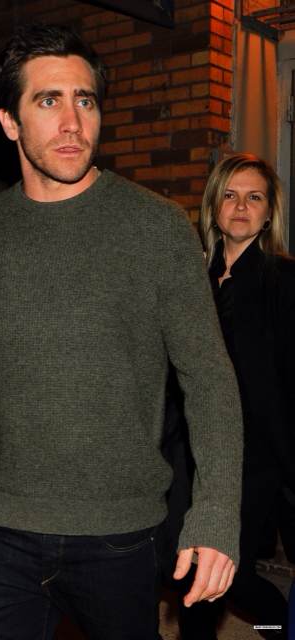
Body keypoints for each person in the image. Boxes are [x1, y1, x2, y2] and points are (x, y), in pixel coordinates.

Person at [0, 23, 243, 640]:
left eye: (85, 101)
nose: (72, 123)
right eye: (47, 100)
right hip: (0, 526)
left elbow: (209, 379)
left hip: (122, 532)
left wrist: (217, 515)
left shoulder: (156, 228)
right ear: (10, 122)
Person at [178, 153, 295, 640]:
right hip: (195, 448)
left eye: (254, 197)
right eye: (230, 195)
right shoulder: (193, 282)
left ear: (268, 214)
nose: (241, 206)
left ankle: (278, 626)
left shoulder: (284, 280)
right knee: (187, 564)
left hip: (261, 454)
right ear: (213, 207)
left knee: (226, 570)